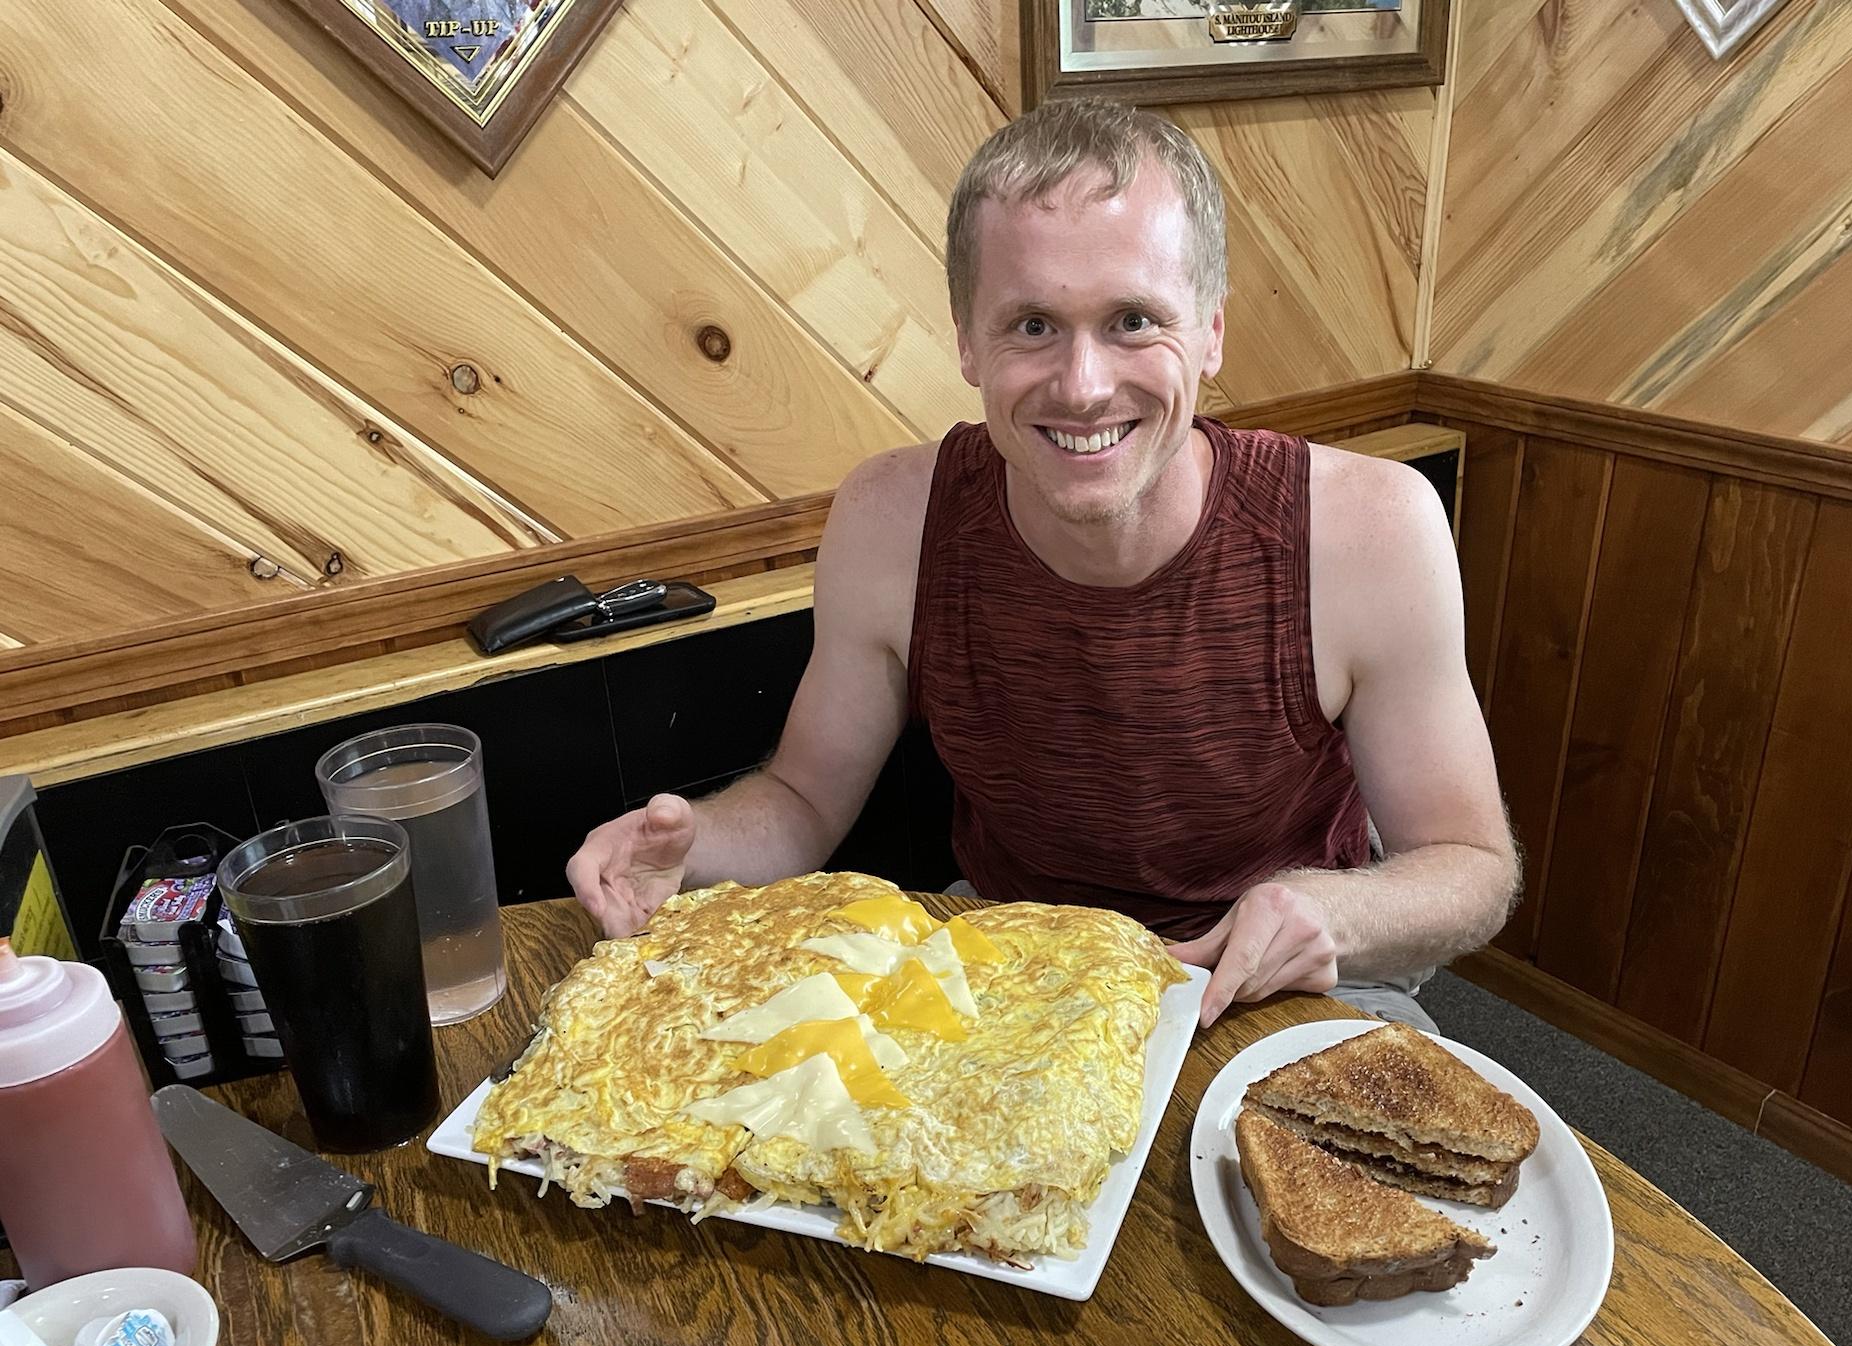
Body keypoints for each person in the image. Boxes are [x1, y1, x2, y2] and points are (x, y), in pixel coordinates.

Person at [568, 98, 1518, 1033]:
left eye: (1135, 319)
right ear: (968, 340)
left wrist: (1333, 913)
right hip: (1006, 960)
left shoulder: (1370, 528)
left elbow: (1472, 864)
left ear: (1213, 331)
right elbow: (803, 801)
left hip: (1292, 985)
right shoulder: (892, 518)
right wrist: (687, 850)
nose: (1084, 385)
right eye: (1032, 325)